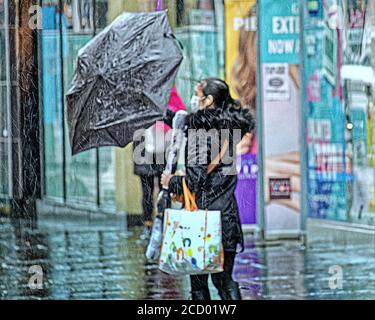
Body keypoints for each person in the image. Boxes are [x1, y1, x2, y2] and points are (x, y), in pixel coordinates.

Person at [161, 78, 255, 300]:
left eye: (197, 94)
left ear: (209, 100)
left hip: (201, 220)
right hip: (228, 218)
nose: (194, 99)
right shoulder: (231, 129)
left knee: (198, 284)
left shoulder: (199, 132)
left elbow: (196, 180)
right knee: (224, 280)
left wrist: (171, 181)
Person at [134, 86, 186, 237]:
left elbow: (178, 116)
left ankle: (164, 221)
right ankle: (149, 224)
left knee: (166, 185)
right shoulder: (138, 96)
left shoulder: (170, 91)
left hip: (164, 146)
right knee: (147, 188)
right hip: (144, 146)